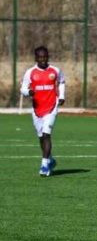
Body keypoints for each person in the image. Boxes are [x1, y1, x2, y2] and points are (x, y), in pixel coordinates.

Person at [20, 46, 65, 177]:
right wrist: (28, 92)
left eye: (45, 57)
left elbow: (62, 82)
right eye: (40, 57)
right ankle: (50, 160)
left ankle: (44, 164)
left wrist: (61, 96)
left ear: (48, 56)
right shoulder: (30, 72)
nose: (43, 59)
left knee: (46, 134)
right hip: (37, 109)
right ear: (36, 58)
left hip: (52, 107)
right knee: (41, 137)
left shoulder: (55, 70)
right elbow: (22, 88)